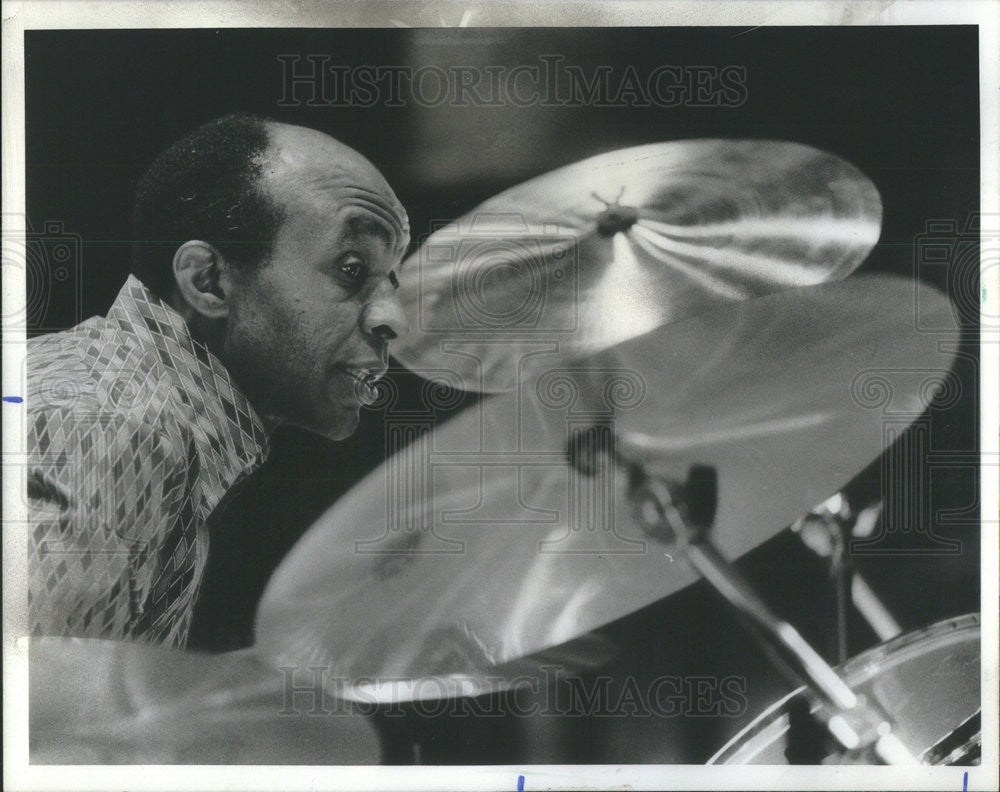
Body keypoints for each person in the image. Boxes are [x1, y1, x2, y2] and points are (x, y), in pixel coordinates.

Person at [26, 113, 410, 646]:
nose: (394, 317)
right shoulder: (116, 431)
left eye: (393, 278)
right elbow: (43, 722)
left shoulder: (122, 405)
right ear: (207, 280)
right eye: (351, 268)